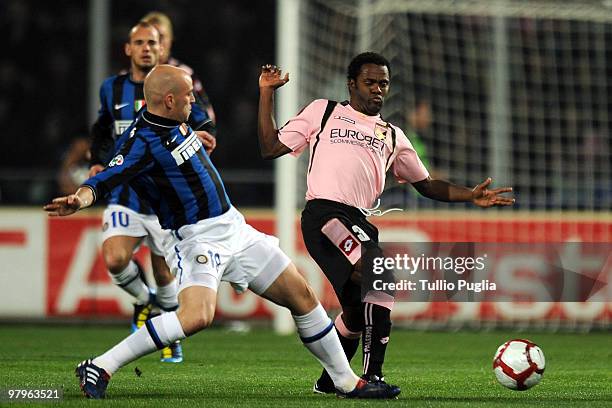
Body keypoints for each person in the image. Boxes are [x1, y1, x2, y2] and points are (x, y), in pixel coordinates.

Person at [44, 65, 400, 400]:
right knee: (197, 316)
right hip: (196, 239)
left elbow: (190, 136)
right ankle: (100, 366)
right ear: (169, 100)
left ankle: (344, 380)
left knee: (302, 296)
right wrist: (80, 196)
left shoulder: (173, 119)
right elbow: (107, 176)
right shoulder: (142, 143)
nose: (193, 101)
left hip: (234, 228)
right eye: (187, 96)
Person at [257, 52, 514, 394]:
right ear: (352, 84)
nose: (378, 89)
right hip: (325, 213)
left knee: (353, 312)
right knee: (379, 274)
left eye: (383, 83)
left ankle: (329, 381)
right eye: (370, 82)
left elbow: (426, 185)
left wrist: (471, 196)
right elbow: (271, 146)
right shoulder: (325, 110)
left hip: (358, 220)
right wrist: (266, 93)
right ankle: (371, 377)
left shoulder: (392, 135)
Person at [88, 21, 214, 363]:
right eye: (139, 42)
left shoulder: (175, 85)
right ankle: (145, 301)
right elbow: (101, 131)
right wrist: (98, 162)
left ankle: (168, 331)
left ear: (162, 48)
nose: (146, 48)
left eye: (152, 42)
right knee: (115, 258)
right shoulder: (111, 89)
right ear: (128, 49)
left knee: (164, 272)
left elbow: (202, 118)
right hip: (126, 194)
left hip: (166, 198)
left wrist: (202, 136)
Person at [141, 11, 216, 123]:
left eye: (161, 37)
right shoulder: (125, 79)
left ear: (171, 39)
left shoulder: (185, 74)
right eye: (150, 38)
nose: (156, 43)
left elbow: (207, 119)